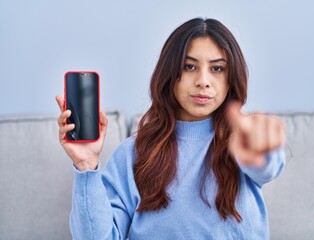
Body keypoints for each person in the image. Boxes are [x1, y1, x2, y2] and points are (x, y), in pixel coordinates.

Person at [56, 17, 286, 240]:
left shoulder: (243, 141)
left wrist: (260, 150)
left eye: (217, 69)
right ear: (169, 75)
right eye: (189, 66)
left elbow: (267, 165)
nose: (203, 80)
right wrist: (86, 165)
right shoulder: (131, 156)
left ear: (231, 77)